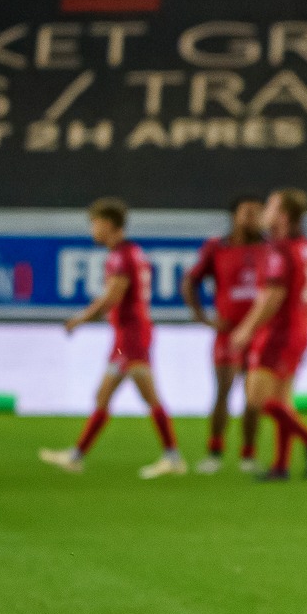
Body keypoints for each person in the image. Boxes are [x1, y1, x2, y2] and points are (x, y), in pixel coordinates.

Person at [38, 198, 185, 478]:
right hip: (125, 336)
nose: (92, 229)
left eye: (94, 223)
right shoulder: (131, 253)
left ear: (107, 224)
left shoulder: (121, 256)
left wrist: (80, 319)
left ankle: (173, 457)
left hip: (131, 336)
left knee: (148, 395)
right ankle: (77, 455)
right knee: (104, 395)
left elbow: (113, 297)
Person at [228, 188, 307, 482]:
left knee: (257, 399)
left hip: (279, 332)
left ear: (283, 215)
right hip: (300, 330)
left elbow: (273, 296)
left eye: (270, 207)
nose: (264, 212)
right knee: (282, 399)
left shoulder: (281, 249)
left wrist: (247, 328)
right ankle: (281, 466)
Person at [182, 194, 266, 473]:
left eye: (258, 213)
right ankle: (215, 451)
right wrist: (201, 316)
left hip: (259, 333)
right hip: (228, 334)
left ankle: (248, 454)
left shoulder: (271, 248)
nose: (253, 218)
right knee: (223, 392)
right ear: (234, 216)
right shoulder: (217, 248)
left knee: (254, 398)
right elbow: (191, 280)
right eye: (248, 212)